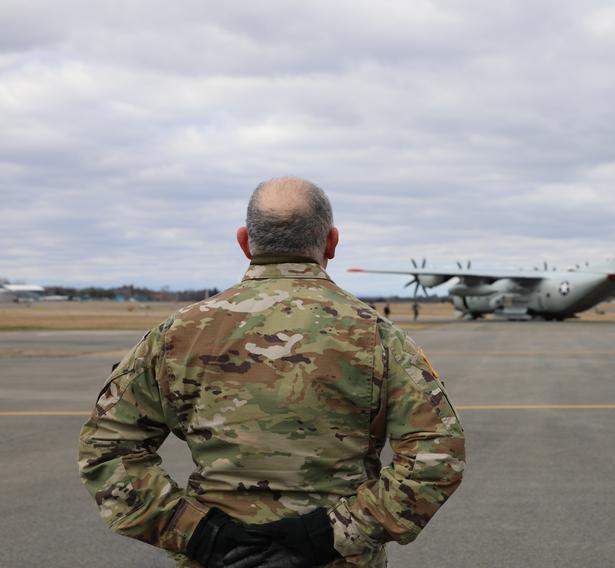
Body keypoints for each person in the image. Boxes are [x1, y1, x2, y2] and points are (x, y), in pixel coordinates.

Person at [78, 177, 466, 568]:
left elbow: (107, 447)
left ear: (245, 242)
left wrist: (198, 533)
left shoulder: (178, 335)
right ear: (331, 242)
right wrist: (336, 534)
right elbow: (437, 454)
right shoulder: (377, 335)